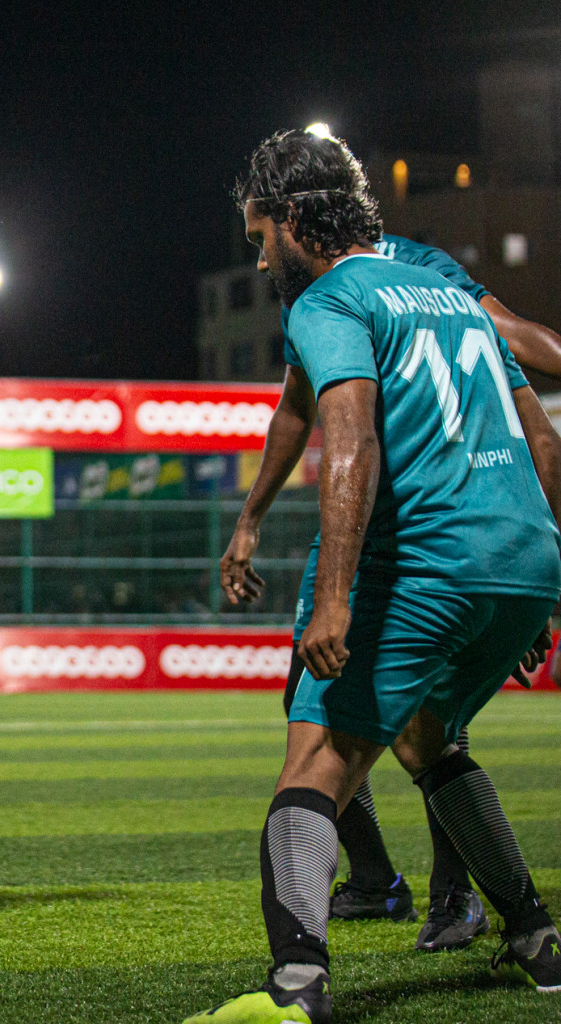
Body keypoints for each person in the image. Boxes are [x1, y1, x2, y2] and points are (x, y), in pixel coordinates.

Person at [188, 130, 561, 1023]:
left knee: (313, 765)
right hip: (524, 561)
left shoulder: (327, 301)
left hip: (424, 563)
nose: (260, 255)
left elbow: (349, 438)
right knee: (428, 741)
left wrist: (332, 596)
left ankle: (296, 988)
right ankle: (537, 939)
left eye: (258, 236)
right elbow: (542, 437)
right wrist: (539, 581)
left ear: (291, 219)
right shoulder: (448, 292)